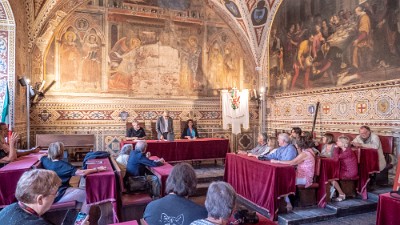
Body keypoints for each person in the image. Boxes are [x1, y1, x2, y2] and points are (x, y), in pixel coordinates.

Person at [40, 142, 106, 213]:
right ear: (61, 152)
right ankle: (81, 221)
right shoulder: (64, 166)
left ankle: (76, 214)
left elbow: (42, 156)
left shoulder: (45, 160)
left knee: (81, 193)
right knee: (88, 195)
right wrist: (97, 169)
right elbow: (81, 173)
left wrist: (48, 153)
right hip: (58, 195)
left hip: (48, 194)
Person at [271, 136, 316, 210]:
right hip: (302, 175)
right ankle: (285, 201)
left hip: (306, 178)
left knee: (284, 182)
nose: (295, 145)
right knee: (283, 179)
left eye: (296, 144)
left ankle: (287, 203)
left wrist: (277, 161)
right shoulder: (309, 150)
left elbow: (292, 162)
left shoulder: (305, 153)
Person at [330, 136, 358, 201]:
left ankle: (341, 193)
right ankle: (334, 192)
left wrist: (335, 148)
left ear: (343, 143)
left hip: (349, 172)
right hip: (344, 170)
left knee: (331, 177)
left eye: (338, 141)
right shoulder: (343, 151)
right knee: (330, 175)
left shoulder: (348, 152)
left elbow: (335, 159)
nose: (336, 142)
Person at [352, 6, 373, 71]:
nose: (356, 14)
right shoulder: (362, 17)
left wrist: (357, 40)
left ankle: (358, 66)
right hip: (363, 39)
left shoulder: (364, 18)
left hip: (365, 40)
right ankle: (357, 66)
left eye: (356, 12)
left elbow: (364, 33)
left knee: (354, 46)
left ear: (360, 11)